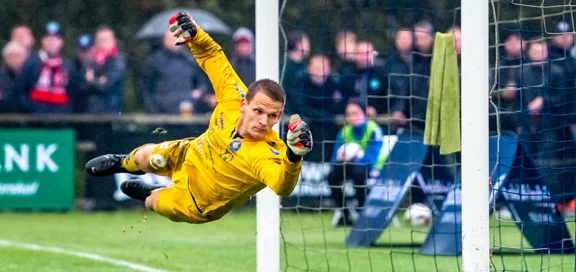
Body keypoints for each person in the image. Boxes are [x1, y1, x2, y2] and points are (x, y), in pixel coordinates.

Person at [85, 12, 313, 224]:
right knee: (147, 156)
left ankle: (149, 193)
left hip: (197, 201)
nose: (264, 121)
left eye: (272, 116)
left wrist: (293, 157)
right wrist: (194, 34)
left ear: (279, 116)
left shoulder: (267, 152)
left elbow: (282, 186)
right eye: (258, 111)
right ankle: (122, 162)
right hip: (191, 153)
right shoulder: (233, 96)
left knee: (155, 203)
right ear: (244, 104)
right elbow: (214, 56)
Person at [328, 99, 386, 226]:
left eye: (355, 113)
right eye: (349, 114)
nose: (352, 117)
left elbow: (372, 157)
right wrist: (341, 156)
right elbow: (334, 158)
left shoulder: (373, 130)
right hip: (350, 166)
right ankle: (345, 213)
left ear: (364, 113)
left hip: (372, 168)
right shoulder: (345, 132)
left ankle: (362, 211)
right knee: (331, 177)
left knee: (358, 173)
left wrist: (358, 156)